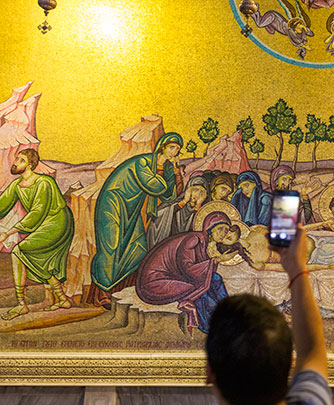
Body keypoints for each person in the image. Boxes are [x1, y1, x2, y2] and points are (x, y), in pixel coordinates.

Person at [203, 224, 334, 405]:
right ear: (288, 364)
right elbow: (312, 350)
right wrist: (296, 267)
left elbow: (311, 353)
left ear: (209, 373)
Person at [89, 132, 182, 307]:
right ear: (162, 147)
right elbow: (155, 186)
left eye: (177, 149)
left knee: (138, 246)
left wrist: (176, 173)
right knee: (112, 244)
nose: (174, 152)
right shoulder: (143, 162)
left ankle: (121, 289)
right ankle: (103, 293)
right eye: (171, 147)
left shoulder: (167, 168)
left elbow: (171, 196)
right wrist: (167, 176)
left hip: (132, 209)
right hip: (114, 202)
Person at [135, 211, 238, 335]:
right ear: (209, 228)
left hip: (175, 277)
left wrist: (215, 260)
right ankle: (210, 325)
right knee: (200, 289)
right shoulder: (193, 239)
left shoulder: (204, 243)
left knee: (215, 278)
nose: (223, 233)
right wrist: (217, 260)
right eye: (220, 228)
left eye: (226, 230)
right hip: (155, 283)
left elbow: (202, 272)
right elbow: (187, 269)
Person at [0, 149, 75, 320]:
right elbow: (1, 205)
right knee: (38, 259)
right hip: (43, 224)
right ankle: (63, 299)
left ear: (31, 164)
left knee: (18, 251)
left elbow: (37, 213)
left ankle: (21, 305)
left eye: (21, 160)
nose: (16, 162)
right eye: (16, 158)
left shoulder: (43, 182)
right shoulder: (17, 185)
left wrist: (8, 232)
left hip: (58, 222)